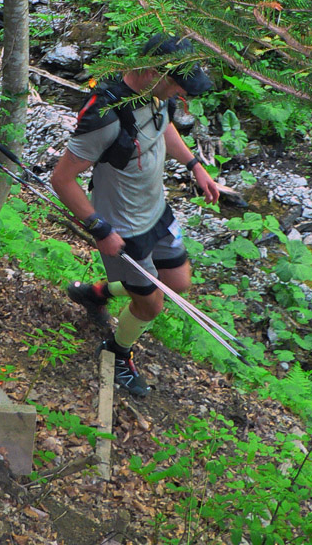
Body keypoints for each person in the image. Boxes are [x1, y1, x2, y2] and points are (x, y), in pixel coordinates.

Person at [50, 34, 219, 396]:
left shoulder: (157, 96)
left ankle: (97, 293)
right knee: (151, 305)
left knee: (178, 282)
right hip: (124, 229)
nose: (182, 94)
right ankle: (116, 352)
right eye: (178, 84)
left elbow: (163, 126)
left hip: (156, 210)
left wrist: (194, 164)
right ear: (153, 72)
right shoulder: (106, 116)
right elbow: (61, 179)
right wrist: (100, 229)